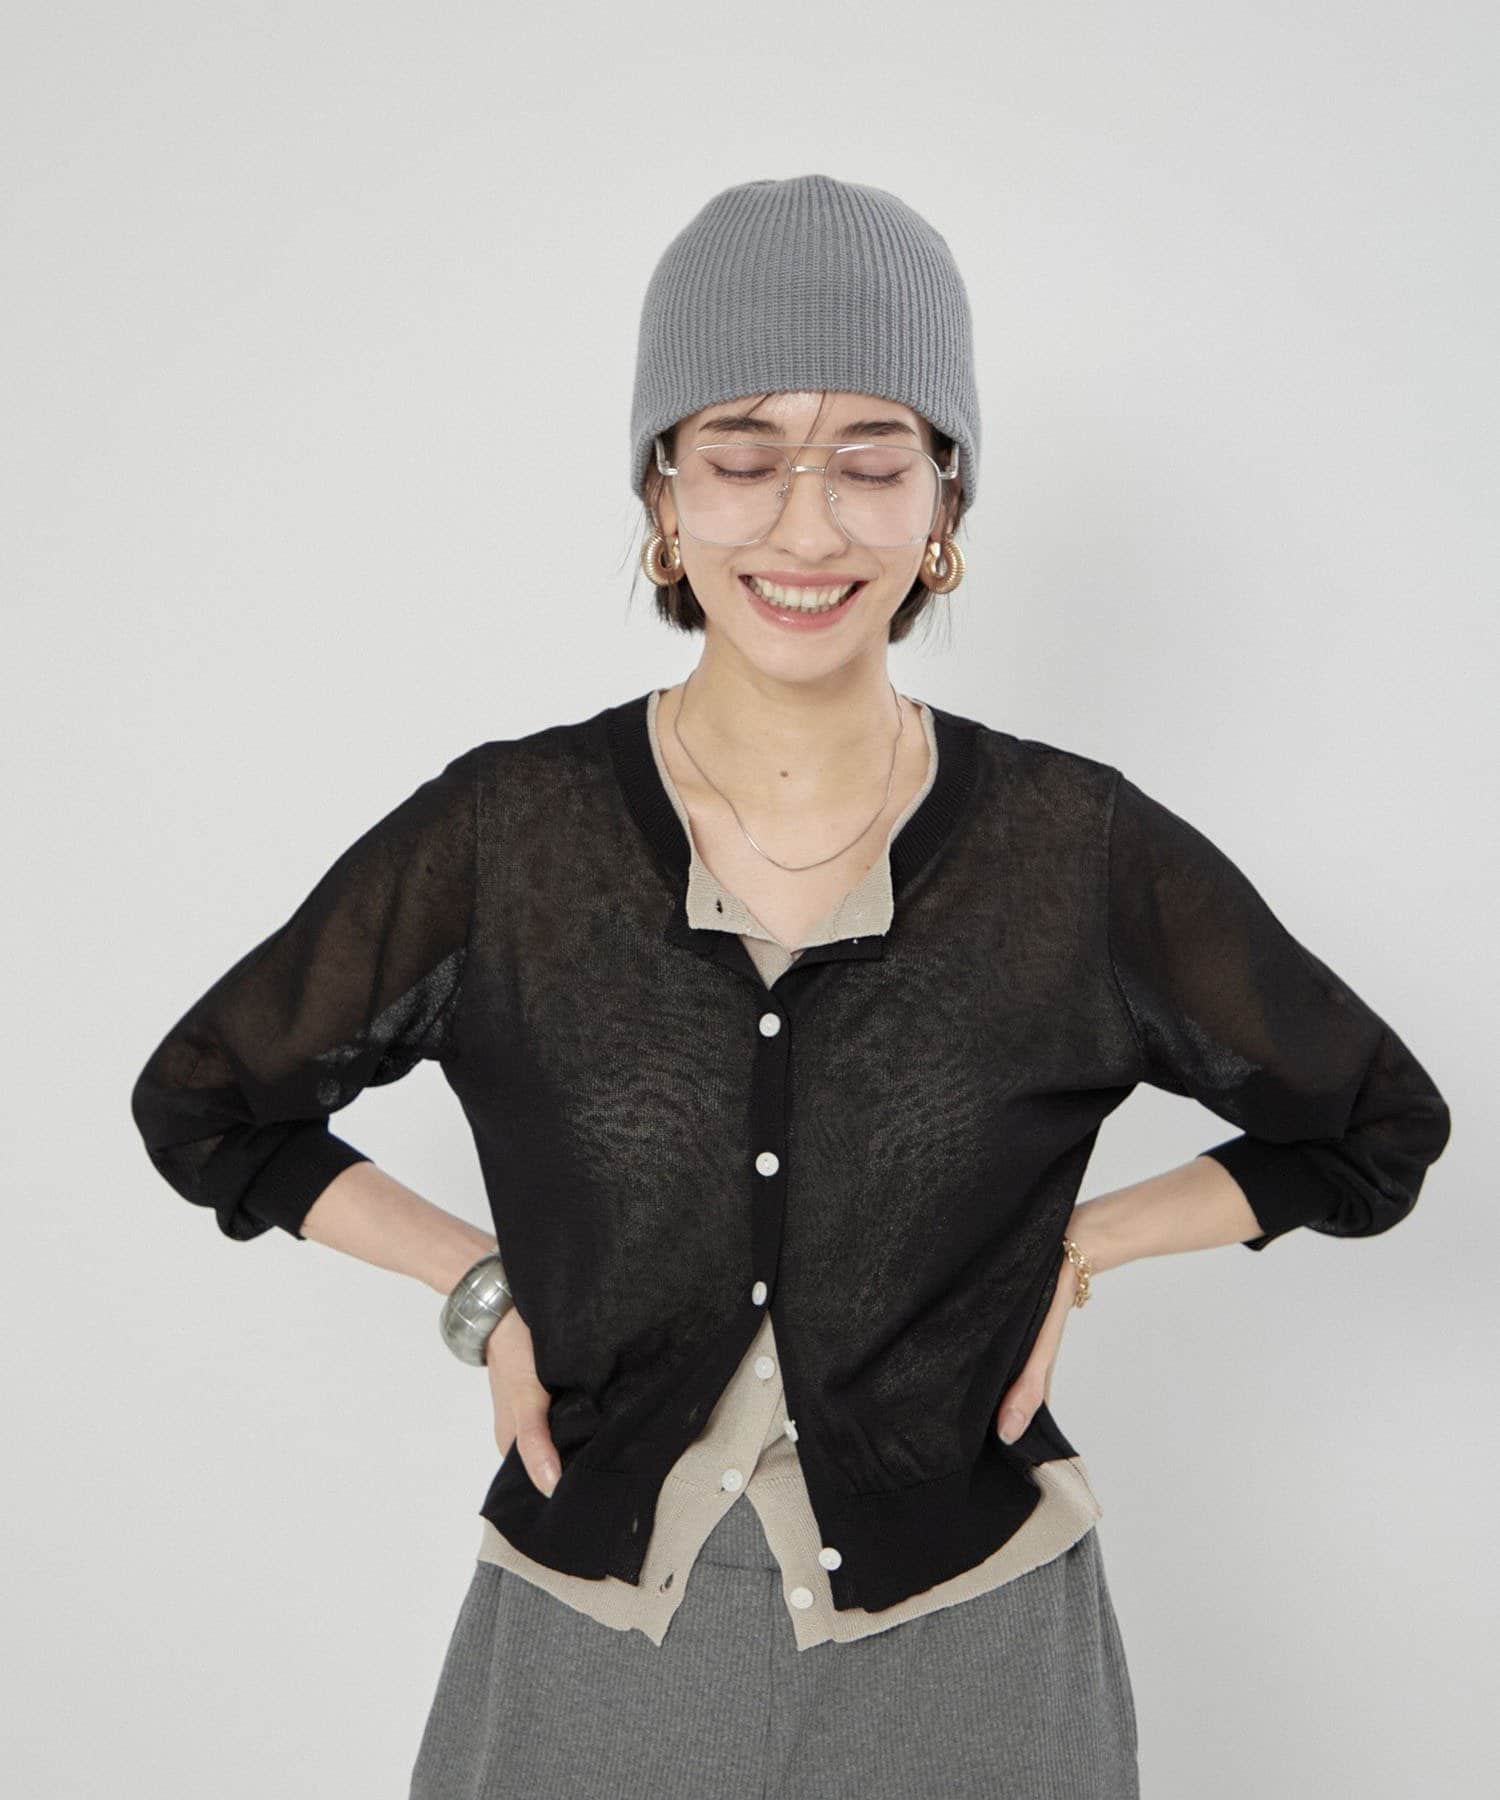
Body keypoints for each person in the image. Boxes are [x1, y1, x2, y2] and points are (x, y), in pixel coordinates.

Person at [130, 174, 1452, 1799]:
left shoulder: (1077, 851)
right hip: (586, 1667)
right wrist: (481, 1288)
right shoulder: (507, 836)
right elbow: (210, 1102)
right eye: (744, 458)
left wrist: (1077, 1247)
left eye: (873, 463)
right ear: (664, 493)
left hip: (979, 1665)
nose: (808, 529)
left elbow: (1372, 1124)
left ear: (945, 502)